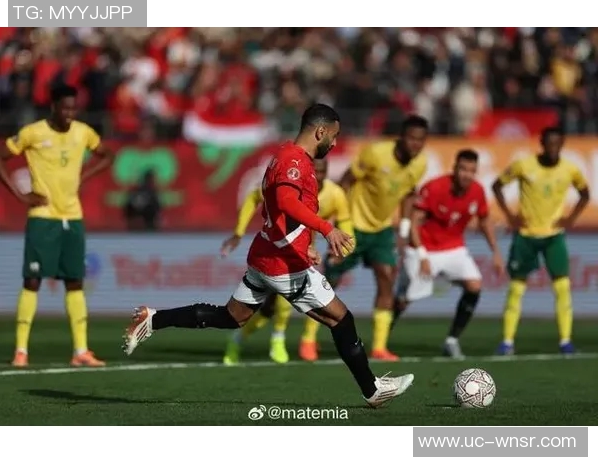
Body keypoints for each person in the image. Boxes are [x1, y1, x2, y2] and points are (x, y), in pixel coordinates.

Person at [123, 104, 414, 407]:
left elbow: (276, 211)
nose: (335, 142)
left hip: (266, 254)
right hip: (282, 264)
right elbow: (286, 202)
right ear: (320, 132)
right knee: (341, 319)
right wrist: (327, 229)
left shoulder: (284, 153)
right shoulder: (295, 161)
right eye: (334, 135)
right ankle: (372, 390)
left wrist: (305, 244)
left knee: (231, 316)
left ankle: (152, 319)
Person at [0, 84, 115, 367]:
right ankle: (21, 351)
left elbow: (108, 155)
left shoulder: (83, 132)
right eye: (65, 108)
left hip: (73, 217)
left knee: (75, 281)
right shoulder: (33, 133)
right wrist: (20, 195)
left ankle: (81, 351)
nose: (70, 114)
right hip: (43, 217)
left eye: (73, 108)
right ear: (53, 107)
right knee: (32, 280)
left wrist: (85, 176)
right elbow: (0, 157)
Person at [220, 158, 354, 365]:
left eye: (322, 171)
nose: (318, 176)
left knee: (280, 305)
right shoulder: (288, 189)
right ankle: (252, 339)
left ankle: (278, 339)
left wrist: (342, 250)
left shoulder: (334, 194)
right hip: (274, 252)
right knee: (268, 308)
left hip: (302, 254)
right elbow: (253, 198)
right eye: (315, 171)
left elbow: (346, 226)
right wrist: (239, 232)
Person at [326, 115, 429, 361]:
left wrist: (404, 230)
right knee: (330, 280)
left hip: (382, 230)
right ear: (401, 137)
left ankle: (380, 347)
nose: (416, 144)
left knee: (387, 277)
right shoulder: (376, 154)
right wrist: (338, 222)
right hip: (353, 225)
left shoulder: (420, 164)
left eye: (421, 140)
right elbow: (346, 180)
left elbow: (408, 194)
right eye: (412, 138)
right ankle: (308, 339)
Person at [393, 149, 504, 358]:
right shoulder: (434, 187)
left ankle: (452, 341)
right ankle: (381, 339)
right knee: (404, 300)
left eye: (471, 170)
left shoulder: (477, 191)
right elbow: (415, 223)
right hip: (424, 248)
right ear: (455, 169)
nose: (466, 175)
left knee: (474, 285)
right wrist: (422, 256)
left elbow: (484, 221)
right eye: (463, 169)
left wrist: (496, 252)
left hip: (453, 248)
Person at [492, 127, 590, 355]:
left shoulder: (570, 169)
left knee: (562, 287)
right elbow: (497, 186)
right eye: (549, 143)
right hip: (526, 235)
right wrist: (510, 216)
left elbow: (585, 193)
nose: (553, 148)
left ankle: (565, 341)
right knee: (516, 288)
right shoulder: (524, 165)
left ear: (562, 144)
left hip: (553, 235)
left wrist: (571, 219)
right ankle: (507, 342)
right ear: (542, 144)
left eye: (557, 144)